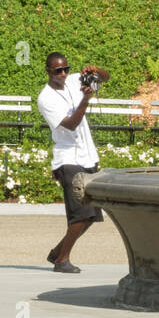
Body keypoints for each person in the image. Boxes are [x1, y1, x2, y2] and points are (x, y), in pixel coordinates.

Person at [37, 52, 109, 273]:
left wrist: (95, 70)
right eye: (58, 71)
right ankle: (62, 261)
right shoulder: (45, 98)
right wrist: (86, 99)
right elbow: (70, 124)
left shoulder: (74, 79)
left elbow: (105, 78)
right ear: (48, 71)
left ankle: (57, 252)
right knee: (80, 214)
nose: (63, 74)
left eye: (66, 69)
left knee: (92, 214)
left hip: (87, 155)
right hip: (67, 158)